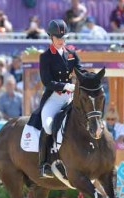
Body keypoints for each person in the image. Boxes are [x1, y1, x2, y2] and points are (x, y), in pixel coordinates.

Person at [28, 19, 86, 178]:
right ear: (51, 38)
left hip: (70, 98)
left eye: (63, 38)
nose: (61, 41)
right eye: (58, 38)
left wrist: (88, 79)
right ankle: (44, 163)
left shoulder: (72, 54)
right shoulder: (46, 57)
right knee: (47, 127)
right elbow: (47, 81)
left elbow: (80, 71)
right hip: (54, 98)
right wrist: (65, 86)